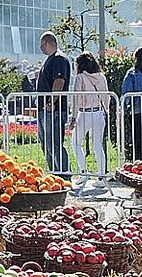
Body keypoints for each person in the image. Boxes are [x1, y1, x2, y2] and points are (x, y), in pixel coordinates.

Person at [67, 52, 110, 184]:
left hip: (84, 113)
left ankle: (83, 172)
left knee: (75, 143)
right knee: (98, 145)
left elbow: (76, 99)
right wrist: (106, 111)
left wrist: (73, 118)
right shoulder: (101, 77)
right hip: (99, 112)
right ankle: (101, 176)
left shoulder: (80, 77)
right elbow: (106, 96)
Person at [35, 34, 71, 175]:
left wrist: (51, 101)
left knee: (54, 144)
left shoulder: (58, 59)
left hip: (53, 110)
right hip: (46, 109)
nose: (40, 48)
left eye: (41, 44)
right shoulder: (52, 59)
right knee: (47, 144)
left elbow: (59, 81)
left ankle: (64, 175)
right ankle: (55, 173)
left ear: (47, 43)